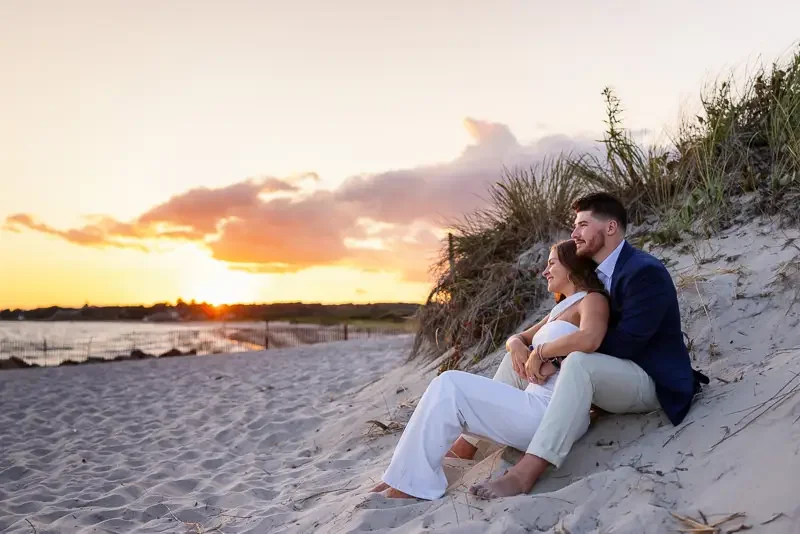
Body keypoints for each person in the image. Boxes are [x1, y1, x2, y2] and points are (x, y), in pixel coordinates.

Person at [466, 191, 704, 499]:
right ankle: (471, 445)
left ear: (610, 228)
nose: (574, 233)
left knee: (579, 364)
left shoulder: (644, 272)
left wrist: (553, 356)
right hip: (614, 375)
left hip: (653, 379)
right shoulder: (597, 279)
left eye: (582, 225)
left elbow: (629, 342)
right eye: (574, 226)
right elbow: (534, 335)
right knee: (517, 362)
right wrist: (524, 349)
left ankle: (525, 474)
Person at [369, 239, 609, 500]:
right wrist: (517, 344)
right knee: (445, 386)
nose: (544, 271)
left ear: (572, 266)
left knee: (449, 384)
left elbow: (590, 338)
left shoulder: (592, 300)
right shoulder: (559, 310)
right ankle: (405, 476)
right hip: (533, 405)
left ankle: (408, 481)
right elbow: (518, 337)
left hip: (553, 415)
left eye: (551, 263)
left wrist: (540, 352)